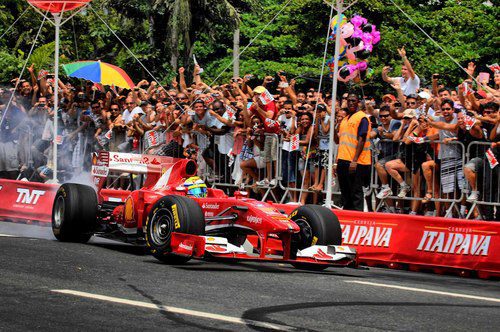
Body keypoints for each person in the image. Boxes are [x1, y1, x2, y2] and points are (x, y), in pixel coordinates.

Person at [334, 94, 372, 211]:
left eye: (353, 100)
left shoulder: (362, 117)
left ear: (358, 102)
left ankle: (357, 216)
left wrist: (354, 160)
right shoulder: (345, 119)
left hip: (356, 161)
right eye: (349, 100)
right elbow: (338, 141)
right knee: (345, 192)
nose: (351, 103)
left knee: (355, 191)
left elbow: (362, 139)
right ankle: (347, 214)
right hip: (343, 159)